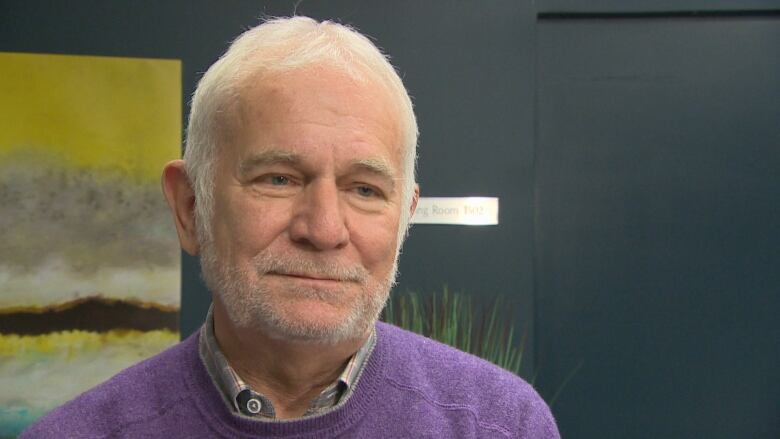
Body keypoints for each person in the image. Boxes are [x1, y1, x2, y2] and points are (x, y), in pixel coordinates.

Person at [21, 16, 560, 438]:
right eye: (278, 178)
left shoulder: (499, 425)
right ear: (190, 207)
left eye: (364, 189)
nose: (324, 229)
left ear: (402, 219)